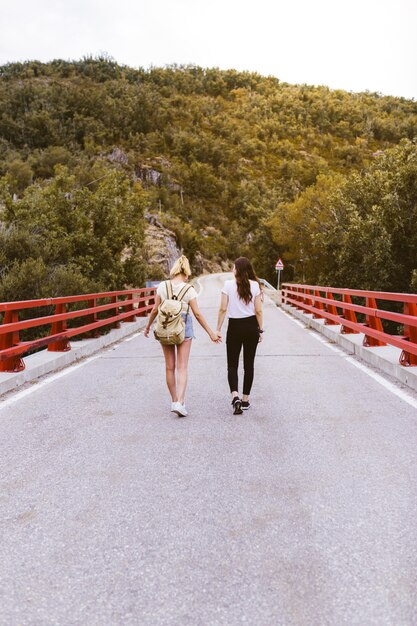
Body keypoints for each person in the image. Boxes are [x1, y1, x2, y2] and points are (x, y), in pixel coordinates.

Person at [144, 255, 220, 417]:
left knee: (169, 366)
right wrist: (211, 333)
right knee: (182, 366)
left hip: (165, 325)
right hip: (183, 325)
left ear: (174, 270)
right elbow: (197, 314)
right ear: (186, 272)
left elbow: (155, 309)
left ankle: (174, 401)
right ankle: (180, 401)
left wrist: (148, 326)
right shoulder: (189, 289)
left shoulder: (162, 286)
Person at [217, 257, 263, 414]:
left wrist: (218, 329)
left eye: (233, 267)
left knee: (232, 364)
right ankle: (245, 400)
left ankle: (234, 396)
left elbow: (223, 309)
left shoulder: (228, 285)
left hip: (234, 327)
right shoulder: (255, 285)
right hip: (251, 326)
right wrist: (260, 329)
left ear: (238, 270)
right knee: (249, 365)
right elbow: (258, 311)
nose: (232, 270)